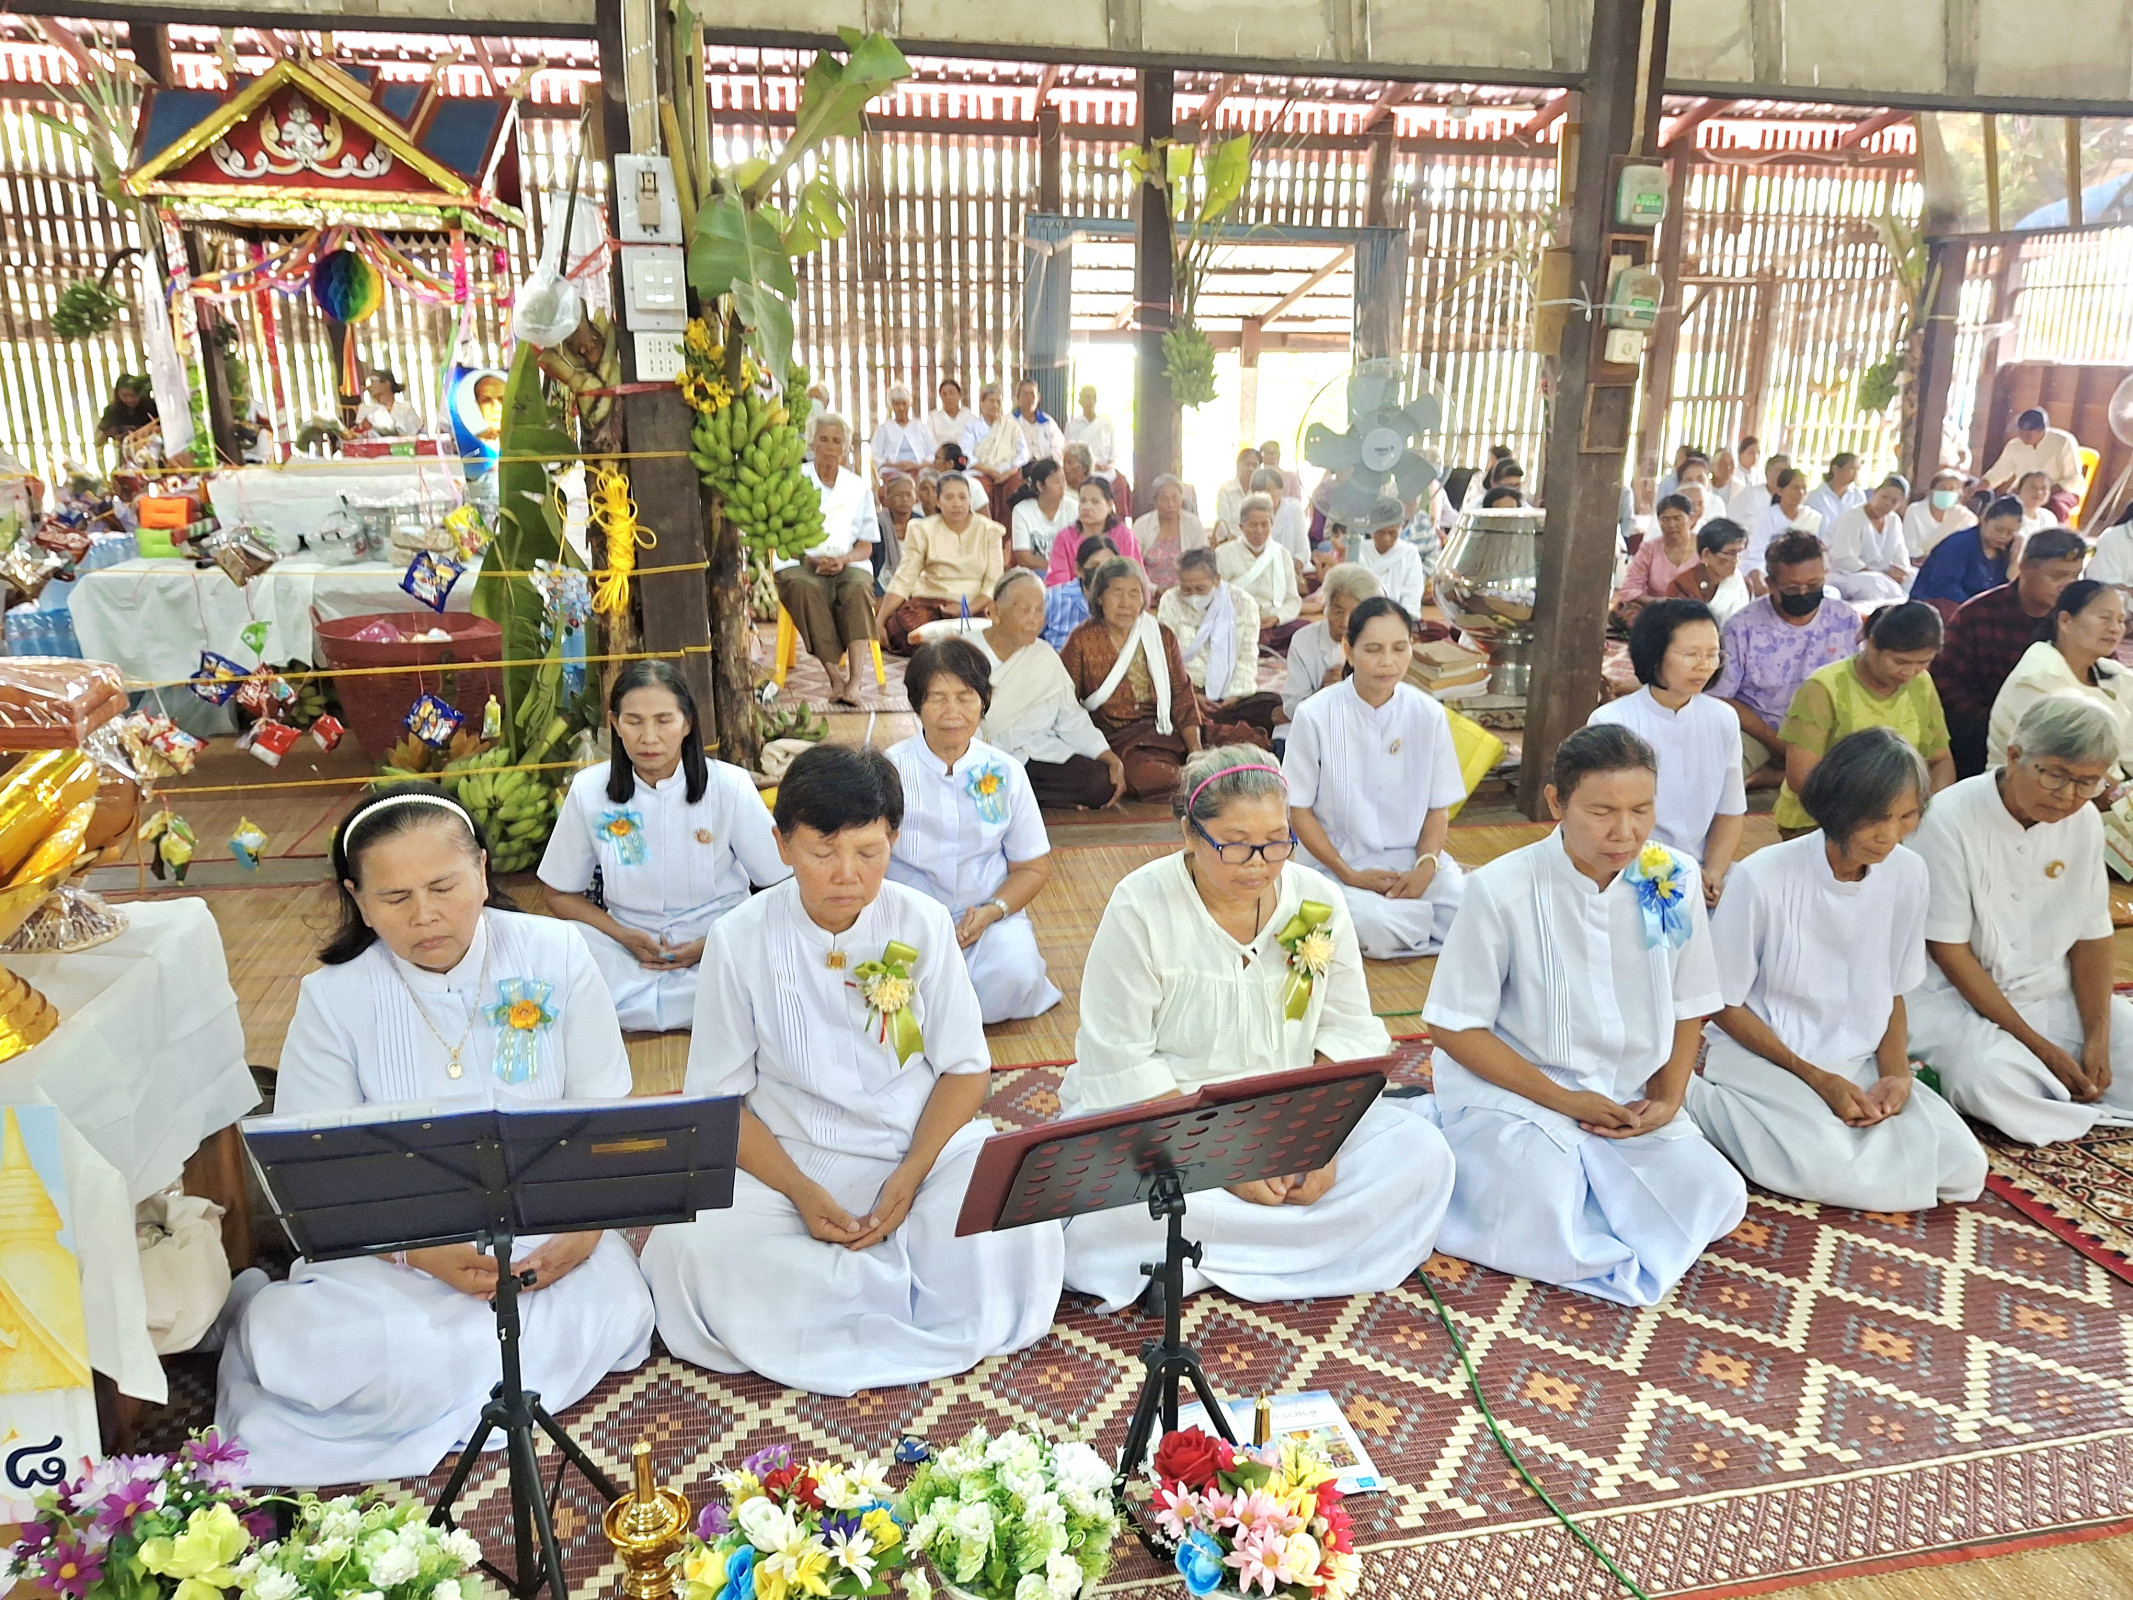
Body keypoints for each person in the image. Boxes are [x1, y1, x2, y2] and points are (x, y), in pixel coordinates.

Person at [219, 786, 655, 1483]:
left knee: (612, 1309)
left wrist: (587, 1232)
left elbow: (603, 1117)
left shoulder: (558, 950)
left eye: (444, 886)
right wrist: (421, 1253)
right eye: (394, 899)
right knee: (330, 1347)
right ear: (358, 900)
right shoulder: (334, 999)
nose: (425, 916)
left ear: (482, 870)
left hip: (543, 1238)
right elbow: (320, 1173)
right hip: (390, 1256)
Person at [642, 745, 1064, 1392]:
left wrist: (909, 1177)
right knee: (688, 1243)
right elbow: (721, 1104)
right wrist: (802, 1194)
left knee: (1009, 1199)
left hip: (916, 1149)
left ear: (893, 837)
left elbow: (963, 1071)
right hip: (791, 1162)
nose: (846, 875)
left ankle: (829, 1308)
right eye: (821, 852)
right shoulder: (739, 935)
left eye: (868, 852)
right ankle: (893, 1294)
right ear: (781, 846)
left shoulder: (920, 920)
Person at [1059, 749, 1453, 1310]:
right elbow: (1120, 1059)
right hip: (1168, 1127)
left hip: (1290, 1118)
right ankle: (1303, 1251)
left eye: (1276, 841)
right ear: (1189, 835)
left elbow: (1346, 1031)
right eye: (1236, 843)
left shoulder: (1315, 901)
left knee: (1422, 1155)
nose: (1259, 863)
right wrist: (1224, 1163)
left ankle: (1200, 1263)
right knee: (1102, 1213)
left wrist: (1319, 1144)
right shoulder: (1140, 907)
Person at [1419, 726, 1747, 1306]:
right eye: (1602, 812)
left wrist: (1668, 1101)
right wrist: (1566, 1102)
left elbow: (1691, 999)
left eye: (1641, 810)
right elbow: (1452, 1025)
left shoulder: (1667, 877)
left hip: (1626, 1098)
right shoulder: (1501, 888)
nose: (1626, 833)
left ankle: (1598, 1185)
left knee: (1716, 1192)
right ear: (1556, 803)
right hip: (1521, 1094)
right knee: (1542, 1198)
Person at [1686, 729, 1986, 1211]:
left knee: (1960, 1166)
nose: (1890, 836)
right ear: (1838, 809)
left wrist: (1895, 1075)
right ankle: (1697, 1098)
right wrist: (1817, 1079)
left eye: (1906, 817)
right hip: (1768, 1053)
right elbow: (1722, 1004)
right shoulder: (1762, 877)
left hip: (1857, 1056)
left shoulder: (1909, 873)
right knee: (1827, 1162)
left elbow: (1893, 991)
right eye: (1876, 819)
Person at [1907, 696, 2133, 1143]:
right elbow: (1949, 952)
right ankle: (2067, 1099)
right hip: (1954, 1000)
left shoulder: (2085, 820)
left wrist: (2097, 1035)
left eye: (2087, 782)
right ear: (2015, 756)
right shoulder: (1949, 819)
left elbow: (2092, 936)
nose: (2069, 796)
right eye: (2055, 776)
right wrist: (2040, 1047)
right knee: (1987, 1077)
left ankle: (2064, 1095)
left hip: (2050, 990)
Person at [540, 663, 791, 1031]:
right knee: (558, 946)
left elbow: (781, 886)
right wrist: (623, 935)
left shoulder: (730, 786)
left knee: (774, 952)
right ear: (614, 722)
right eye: (634, 721)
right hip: (625, 949)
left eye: (664, 720)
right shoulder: (588, 790)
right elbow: (559, 893)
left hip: (720, 946)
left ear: (687, 722)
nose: (649, 738)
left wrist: (710, 943)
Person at [885, 643, 1061, 1023]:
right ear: (917, 705)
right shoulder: (889, 771)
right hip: (907, 920)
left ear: (983, 703)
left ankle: (945, 1020)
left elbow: (1032, 867)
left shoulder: (1006, 771)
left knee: (1016, 977)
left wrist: (992, 911)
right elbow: (866, 858)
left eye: (966, 698)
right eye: (938, 699)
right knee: (884, 989)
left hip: (987, 919)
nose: (953, 713)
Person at [1284, 597, 1468, 958]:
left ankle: (1415, 921)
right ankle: (1418, 926)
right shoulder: (1315, 714)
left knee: (1472, 912)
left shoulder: (1427, 713)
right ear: (1348, 650)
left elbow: (1437, 809)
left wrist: (1426, 867)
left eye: (1400, 648)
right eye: (1373, 649)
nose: (1388, 662)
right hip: (1337, 865)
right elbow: (1298, 810)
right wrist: (1349, 875)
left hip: (1411, 863)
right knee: (1375, 926)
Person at [1589, 599, 1747, 906]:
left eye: (1712, 654)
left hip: (1702, 873)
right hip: (1629, 869)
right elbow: (1604, 821)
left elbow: (1730, 811)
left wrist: (1713, 872)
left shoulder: (1723, 718)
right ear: (1655, 653)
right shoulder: (1612, 722)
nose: (1704, 665)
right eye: (1690, 654)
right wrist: (1674, 873)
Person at [1774, 600, 1953, 833]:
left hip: (1896, 819)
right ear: (1872, 645)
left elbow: (1940, 760)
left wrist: (1927, 813)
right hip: (1825, 820)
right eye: (1900, 662)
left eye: (1923, 662)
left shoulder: (1921, 683)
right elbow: (1802, 778)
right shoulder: (1824, 687)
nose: (1910, 672)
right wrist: (1876, 819)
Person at [1063, 558, 1231, 797]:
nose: (1125, 603)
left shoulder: (1161, 635)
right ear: (1100, 598)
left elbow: (1182, 694)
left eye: (1134, 593)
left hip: (1167, 730)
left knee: (1240, 740)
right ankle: (1202, 780)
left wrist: (1195, 751)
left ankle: (1200, 772)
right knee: (1144, 774)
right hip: (1120, 738)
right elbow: (1067, 704)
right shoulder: (1082, 640)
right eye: (1116, 593)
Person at [1711, 532, 1861, 788]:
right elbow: (1723, 698)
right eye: (1792, 588)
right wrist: (1778, 742)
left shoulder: (1846, 619)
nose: (1804, 593)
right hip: (1760, 731)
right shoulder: (1743, 626)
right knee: (1718, 773)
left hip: (1826, 733)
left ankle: (1771, 779)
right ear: (1771, 584)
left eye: (1814, 585)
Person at [1935, 527, 2088, 777]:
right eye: (2058, 576)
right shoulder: (1977, 614)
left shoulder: (2077, 621)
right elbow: (1947, 683)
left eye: (2075, 577)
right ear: (2025, 566)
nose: (2067, 587)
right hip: (1982, 735)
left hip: (2060, 737)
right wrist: (1999, 722)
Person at [978, 568, 1126, 809]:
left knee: (1100, 783)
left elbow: (1071, 717)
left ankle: (1023, 797)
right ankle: (1024, 797)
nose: (1034, 619)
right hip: (989, 758)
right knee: (974, 783)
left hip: (1039, 756)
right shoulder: (967, 653)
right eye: (1024, 610)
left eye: (1039, 610)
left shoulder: (1044, 655)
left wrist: (1106, 755)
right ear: (994, 612)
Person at [781, 412, 879, 702]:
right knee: (803, 588)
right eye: (823, 439)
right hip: (800, 561)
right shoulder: (795, 479)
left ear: (846, 447)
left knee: (858, 589)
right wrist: (809, 557)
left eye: (837, 441)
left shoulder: (858, 486)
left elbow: (866, 545)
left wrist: (844, 560)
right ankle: (835, 678)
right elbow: (782, 533)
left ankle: (856, 682)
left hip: (847, 561)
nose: (830, 446)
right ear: (812, 443)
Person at [1988, 579, 2133, 771]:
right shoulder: (2036, 677)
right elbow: (2060, 763)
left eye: (2121, 621)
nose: (2115, 628)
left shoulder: (2118, 676)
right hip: (2040, 789)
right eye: (2104, 618)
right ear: (2065, 621)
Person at [877, 472, 1005, 654]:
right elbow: (904, 578)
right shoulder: (923, 529)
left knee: (979, 634)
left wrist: (967, 609)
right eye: (949, 497)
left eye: (962, 497)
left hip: (971, 605)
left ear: (970, 499)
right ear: (938, 501)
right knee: (904, 627)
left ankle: (949, 648)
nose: (957, 504)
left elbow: (994, 582)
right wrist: (880, 619)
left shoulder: (989, 531)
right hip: (930, 603)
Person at [1157, 547, 1280, 738]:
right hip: (1187, 694)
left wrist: (1235, 694)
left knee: (1272, 705)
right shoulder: (1170, 601)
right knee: (1171, 716)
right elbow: (1165, 659)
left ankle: (1217, 727)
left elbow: (1247, 655)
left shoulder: (1243, 603)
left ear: (1217, 580)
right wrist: (1191, 696)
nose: (1193, 596)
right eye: (1186, 589)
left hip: (1231, 695)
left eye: (1200, 589)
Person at [1281, 564, 1380, 724]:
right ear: (1326, 609)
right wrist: (1323, 693)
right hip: (1314, 728)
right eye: (1338, 612)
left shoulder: (1379, 643)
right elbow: (1291, 707)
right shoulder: (1304, 640)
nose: (1345, 622)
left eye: (1355, 614)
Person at [1217, 495, 1304, 647]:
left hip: (1272, 623)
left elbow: (1293, 600)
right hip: (1238, 623)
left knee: (1303, 632)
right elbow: (1216, 598)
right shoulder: (1223, 554)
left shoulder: (1282, 554)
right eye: (1253, 525)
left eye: (1264, 524)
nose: (1259, 531)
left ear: (1272, 524)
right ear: (1241, 527)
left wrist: (1277, 617)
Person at [1910, 494, 2021, 608]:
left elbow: (2002, 596)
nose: (2003, 536)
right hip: (1940, 606)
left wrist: (2013, 566)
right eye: (1998, 529)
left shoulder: (2006, 553)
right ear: (1984, 520)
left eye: (2010, 533)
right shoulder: (1958, 544)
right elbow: (1943, 587)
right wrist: (1978, 608)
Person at [1983, 406, 2087, 522]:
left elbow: (2073, 478)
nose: (2024, 439)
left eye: (2029, 435)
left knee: (2054, 506)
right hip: (2024, 491)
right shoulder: (2014, 445)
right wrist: (1982, 484)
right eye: (2021, 434)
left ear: (2043, 431)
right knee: (2003, 507)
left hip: (2061, 490)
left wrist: (2044, 492)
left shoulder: (2063, 442)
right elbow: (1998, 473)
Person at [1822, 475, 1914, 601]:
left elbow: (1900, 552)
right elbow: (1843, 559)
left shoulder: (1894, 521)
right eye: (1884, 497)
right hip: (1846, 575)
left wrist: (1901, 572)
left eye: (1894, 501)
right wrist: (1879, 573)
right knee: (1874, 583)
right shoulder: (1853, 517)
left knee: (1914, 577)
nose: (1887, 503)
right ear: (1875, 493)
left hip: (1882, 575)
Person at [1615, 494, 1699, 622]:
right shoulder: (1649, 549)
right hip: (1657, 614)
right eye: (1665, 519)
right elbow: (1630, 588)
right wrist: (1659, 602)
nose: (1671, 524)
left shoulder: (1705, 548)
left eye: (1677, 518)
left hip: (1697, 615)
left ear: (1691, 519)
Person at [1044, 476, 1140, 585]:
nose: (1087, 507)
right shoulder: (1065, 537)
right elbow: (1058, 580)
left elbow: (1133, 574)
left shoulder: (1123, 535)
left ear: (1109, 505)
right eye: (1083, 501)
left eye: (1095, 501)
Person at [1666, 518, 1751, 624]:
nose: (1736, 559)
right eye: (1730, 553)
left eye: (1740, 553)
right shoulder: (1682, 586)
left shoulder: (1745, 585)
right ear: (1706, 554)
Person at [1132, 474, 1208, 592]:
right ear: (1155, 501)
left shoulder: (1192, 524)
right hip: (1147, 592)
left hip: (1186, 590)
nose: (1170, 504)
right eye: (1164, 499)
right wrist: (1154, 590)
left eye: (1175, 498)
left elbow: (1202, 560)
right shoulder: (1142, 525)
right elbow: (1134, 564)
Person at [1043, 533, 1116, 649]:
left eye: (1109, 566)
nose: (1102, 572)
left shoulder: (1125, 603)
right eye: (1095, 565)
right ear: (1079, 570)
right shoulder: (1054, 598)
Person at [1010, 458, 1077, 573]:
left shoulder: (1074, 508)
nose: (1062, 486)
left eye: (1063, 480)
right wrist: (1055, 567)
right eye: (1056, 482)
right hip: (1035, 574)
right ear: (1040, 486)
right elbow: (1024, 558)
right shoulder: (1022, 511)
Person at [1353, 517, 1427, 613]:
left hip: (1398, 617)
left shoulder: (1409, 553)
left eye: (1392, 533)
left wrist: (1402, 618)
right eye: (1380, 532)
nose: (1386, 538)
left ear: (1401, 528)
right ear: (1370, 530)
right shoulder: (1359, 550)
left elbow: (1413, 593)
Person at [1904, 469, 1978, 561]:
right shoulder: (1915, 511)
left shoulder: (1964, 517)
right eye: (1943, 489)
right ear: (1931, 490)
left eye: (1951, 489)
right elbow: (1908, 545)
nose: (1947, 493)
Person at [869, 382, 934, 481]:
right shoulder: (883, 429)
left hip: (919, 471)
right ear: (891, 406)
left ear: (909, 404)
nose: (901, 408)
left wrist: (916, 466)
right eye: (897, 404)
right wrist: (896, 466)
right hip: (891, 472)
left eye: (904, 403)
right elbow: (875, 455)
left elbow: (932, 453)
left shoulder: (920, 427)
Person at [1756, 468, 1822, 563]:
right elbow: (1757, 552)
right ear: (1780, 491)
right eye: (1795, 488)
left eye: (1804, 488)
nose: (1801, 492)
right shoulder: (1766, 516)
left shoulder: (1812, 517)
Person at [1066, 385, 1117, 484]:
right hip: (1084, 472)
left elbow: (1114, 451)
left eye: (1094, 397)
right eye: (1087, 397)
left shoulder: (1106, 422)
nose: (1091, 401)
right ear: (1080, 401)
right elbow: (1070, 454)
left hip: (1106, 472)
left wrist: (1108, 465)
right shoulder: (1072, 425)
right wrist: (1091, 465)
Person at [874, 472, 917, 585]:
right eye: (898, 495)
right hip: (884, 584)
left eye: (908, 494)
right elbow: (874, 567)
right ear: (887, 499)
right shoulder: (878, 525)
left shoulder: (922, 524)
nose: (904, 499)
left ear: (915, 498)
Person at [927, 376, 985, 459]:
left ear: (960, 395)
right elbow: (929, 443)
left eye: (951, 393)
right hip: (940, 461)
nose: (948, 397)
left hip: (964, 459)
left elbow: (975, 442)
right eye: (944, 394)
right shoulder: (933, 417)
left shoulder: (969, 417)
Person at [1011, 378, 1066, 465]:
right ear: (1018, 398)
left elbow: (1059, 447)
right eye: (1025, 395)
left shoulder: (1048, 422)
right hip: (1019, 468)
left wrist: (1048, 461)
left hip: (1046, 467)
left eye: (1032, 394)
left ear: (1039, 398)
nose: (1029, 398)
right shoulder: (1009, 422)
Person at [1213, 447, 1263, 541]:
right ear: (1238, 465)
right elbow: (1223, 523)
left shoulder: (1261, 492)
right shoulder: (1226, 490)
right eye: (1247, 464)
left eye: (1254, 465)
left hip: (1257, 543)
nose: (1250, 468)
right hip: (1230, 543)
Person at [1805, 453, 1865, 528]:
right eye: (1852, 469)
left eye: (1858, 469)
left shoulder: (1858, 495)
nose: (1856, 474)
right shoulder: (1816, 496)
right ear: (1836, 469)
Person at [354, 371, 420, 436]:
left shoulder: (405, 408)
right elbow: (359, 435)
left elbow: (415, 434)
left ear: (387, 383)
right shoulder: (365, 409)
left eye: (372, 381)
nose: (368, 387)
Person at [96, 375, 157, 445]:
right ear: (118, 394)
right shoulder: (112, 411)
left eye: (133, 395)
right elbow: (98, 441)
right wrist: (107, 433)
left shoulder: (151, 407)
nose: (129, 399)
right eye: (124, 395)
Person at [2011, 470, 2059, 539]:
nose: (2039, 492)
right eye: (2032, 487)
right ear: (2019, 489)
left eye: (2043, 488)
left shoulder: (2049, 517)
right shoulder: (2008, 514)